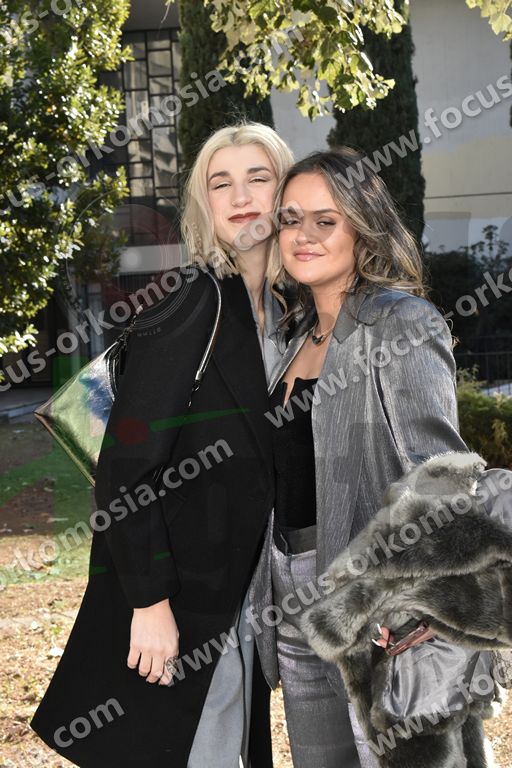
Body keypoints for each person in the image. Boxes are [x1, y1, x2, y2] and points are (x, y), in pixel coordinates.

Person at [31, 122, 293, 768]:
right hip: (180, 597)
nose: (241, 196)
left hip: (242, 598)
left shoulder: (283, 313)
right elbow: (124, 464)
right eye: (221, 183)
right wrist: (149, 602)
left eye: (258, 177)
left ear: (285, 190)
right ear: (204, 203)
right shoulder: (192, 297)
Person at [248, 147, 471, 768]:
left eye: (326, 220)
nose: (304, 235)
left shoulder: (400, 323)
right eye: (291, 219)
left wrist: (414, 604)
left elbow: (443, 474)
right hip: (291, 596)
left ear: (364, 228)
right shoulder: (289, 339)